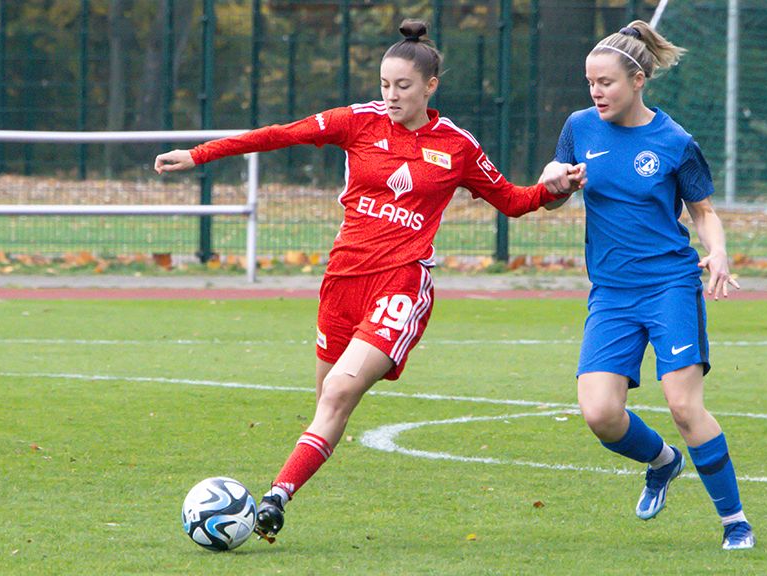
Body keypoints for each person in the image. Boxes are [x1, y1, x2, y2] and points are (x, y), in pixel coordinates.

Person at [155, 19, 586, 542]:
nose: (390, 96)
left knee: (338, 390)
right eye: (384, 84)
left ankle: (273, 498)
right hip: (341, 282)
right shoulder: (357, 122)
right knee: (326, 404)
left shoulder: (456, 146)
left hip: (401, 284)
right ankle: (282, 494)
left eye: (403, 86)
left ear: (430, 86)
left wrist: (551, 188)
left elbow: (513, 201)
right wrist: (199, 155)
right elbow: (279, 135)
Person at [541, 20, 754, 550]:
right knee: (600, 414)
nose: (596, 91)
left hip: (668, 284)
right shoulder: (579, 126)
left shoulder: (675, 141)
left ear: (638, 81)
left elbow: (703, 213)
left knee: (683, 405)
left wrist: (719, 251)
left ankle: (735, 522)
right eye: (590, 81)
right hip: (611, 293)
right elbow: (555, 186)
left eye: (606, 82)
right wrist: (553, 179)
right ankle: (662, 462)